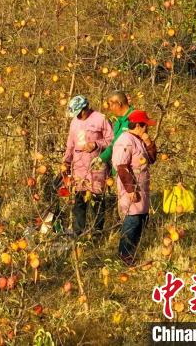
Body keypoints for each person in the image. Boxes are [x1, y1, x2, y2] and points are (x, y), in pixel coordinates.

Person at [63, 95, 114, 238]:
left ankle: (97, 233)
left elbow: (111, 140)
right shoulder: (74, 122)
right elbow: (70, 144)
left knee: (97, 200)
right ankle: (78, 232)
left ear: (86, 108)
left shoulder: (100, 119)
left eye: (80, 112)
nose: (78, 116)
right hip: (79, 167)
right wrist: (66, 161)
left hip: (97, 166)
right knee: (79, 200)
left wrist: (96, 144)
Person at [112, 110, 157, 266]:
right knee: (132, 222)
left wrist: (149, 141)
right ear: (138, 125)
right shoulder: (126, 141)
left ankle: (132, 255)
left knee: (141, 220)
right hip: (131, 190)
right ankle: (124, 257)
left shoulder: (138, 139)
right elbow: (121, 166)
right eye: (145, 126)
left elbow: (151, 159)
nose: (147, 128)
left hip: (142, 188)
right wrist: (131, 190)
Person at [91, 90, 134, 174]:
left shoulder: (134, 118)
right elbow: (114, 143)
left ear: (119, 104)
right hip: (119, 169)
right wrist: (101, 158)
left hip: (131, 170)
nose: (110, 108)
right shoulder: (118, 121)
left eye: (111, 105)